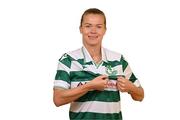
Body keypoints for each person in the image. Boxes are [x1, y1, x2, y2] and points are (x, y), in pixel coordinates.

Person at [53, 8, 144, 120]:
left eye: (98, 26)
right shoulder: (68, 60)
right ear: (81, 29)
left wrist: (131, 88)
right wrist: (89, 86)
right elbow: (58, 99)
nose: (93, 31)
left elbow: (140, 95)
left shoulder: (118, 60)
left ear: (105, 30)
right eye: (88, 26)